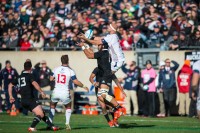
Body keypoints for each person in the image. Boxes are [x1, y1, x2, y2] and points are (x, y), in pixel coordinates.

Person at [79, 42, 126, 124]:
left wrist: (83, 47)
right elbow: (92, 53)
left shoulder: (103, 53)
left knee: (104, 96)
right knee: (102, 101)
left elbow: (90, 55)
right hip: (104, 79)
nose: (98, 46)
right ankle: (112, 118)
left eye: (99, 45)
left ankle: (119, 109)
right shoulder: (104, 56)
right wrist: (86, 46)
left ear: (103, 46)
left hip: (105, 78)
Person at [8, 61, 59, 132]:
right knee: (40, 113)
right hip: (30, 99)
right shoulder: (30, 75)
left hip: (23, 101)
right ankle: (32, 127)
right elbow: (34, 83)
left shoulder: (19, 77)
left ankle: (52, 126)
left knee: (41, 113)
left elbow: (10, 85)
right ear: (31, 68)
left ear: (24, 67)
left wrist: (10, 96)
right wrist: (41, 92)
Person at [49, 55, 89, 130]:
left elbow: (51, 79)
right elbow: (75, 81)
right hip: (65, 92)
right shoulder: (70, 70)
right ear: (68, 61)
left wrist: (56, 79)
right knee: (68, 107)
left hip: (56, 91)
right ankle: (67, 123)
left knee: (52, 106)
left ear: (61, 61)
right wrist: (83, 86)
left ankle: (50, 123)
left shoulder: (55, 69)